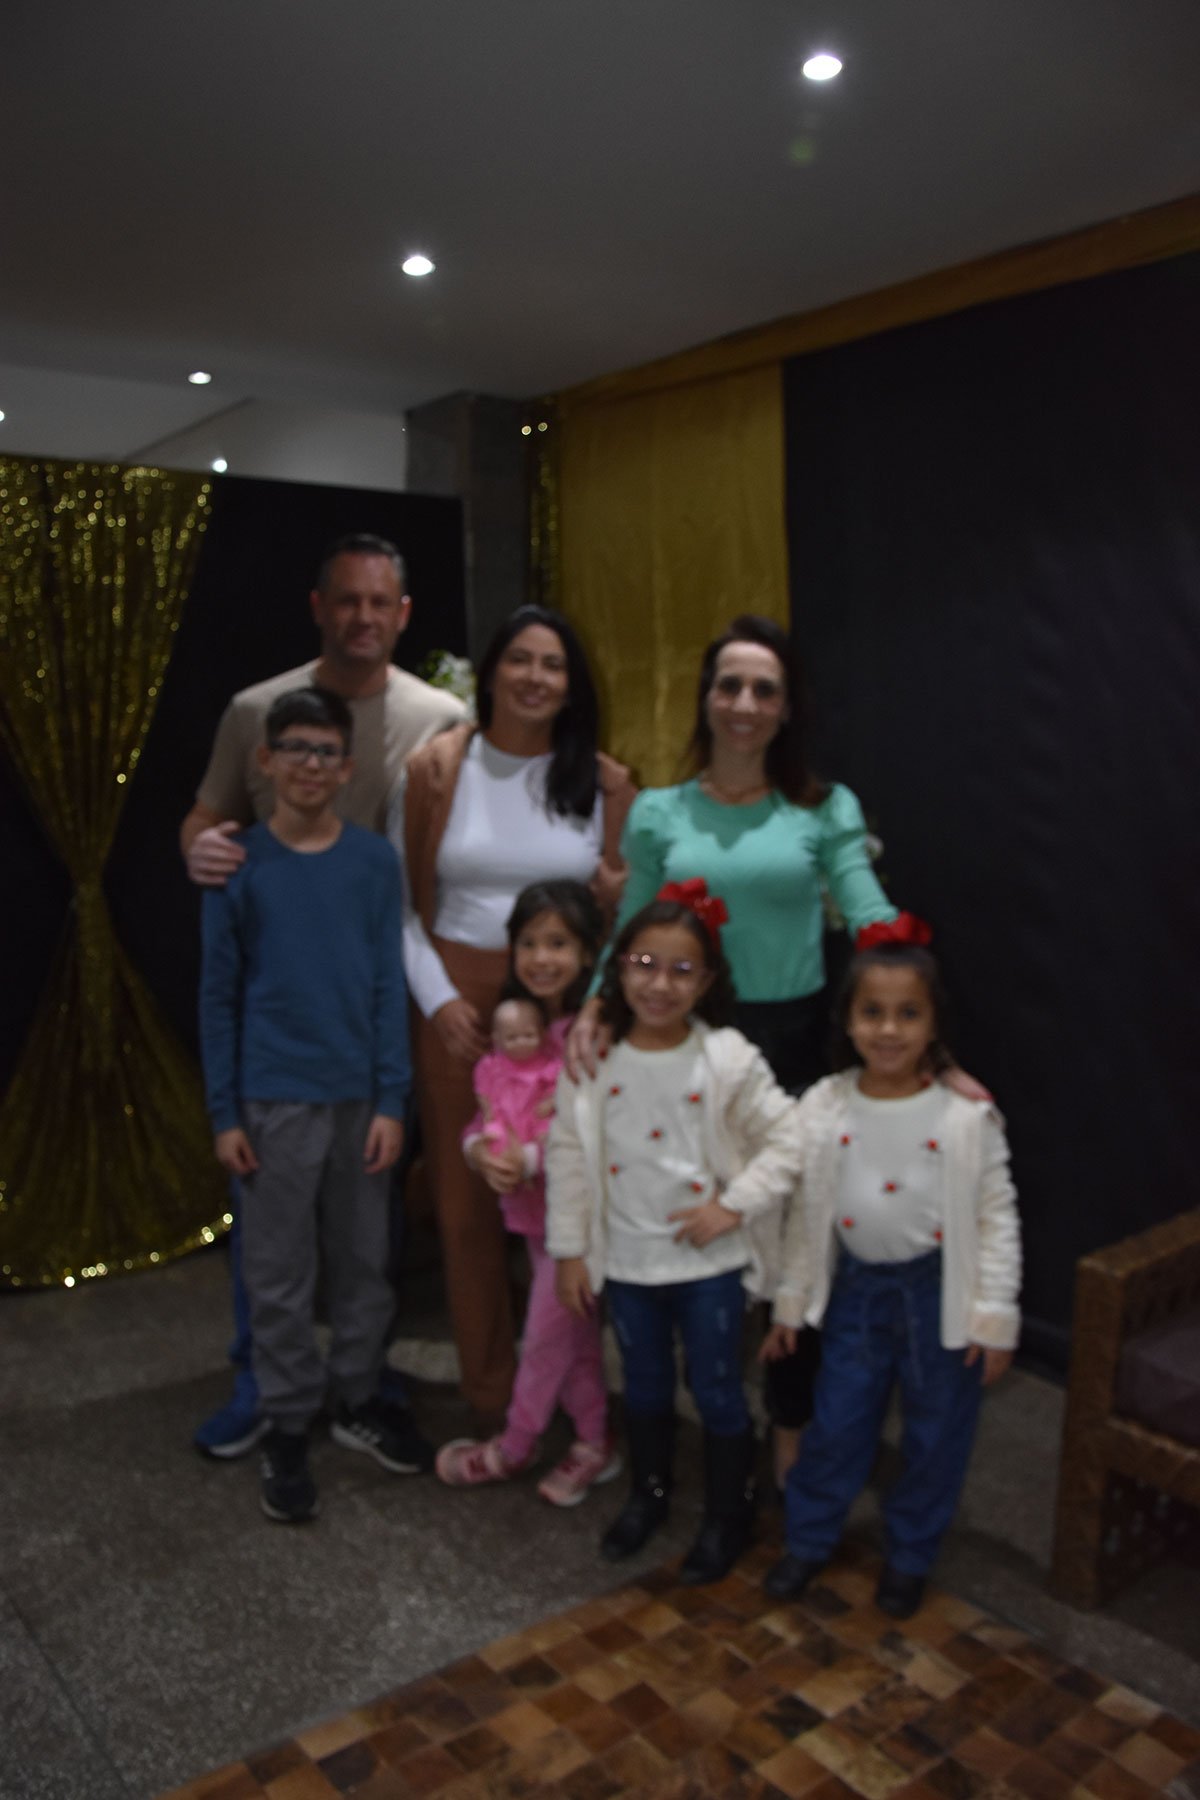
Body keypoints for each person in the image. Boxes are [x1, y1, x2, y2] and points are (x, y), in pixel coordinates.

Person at [567, 614, 898, 1487]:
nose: (745, 703)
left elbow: (868, 912)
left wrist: (920, 1024)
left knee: (799, 1239)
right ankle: (693, 1409)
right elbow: (636, 925)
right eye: (730, 685)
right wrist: (598, 1002)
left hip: (797, 1042)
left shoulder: (825, 808)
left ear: (787, 708)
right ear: (706, 699)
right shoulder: (660, 812)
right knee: (690, 1221)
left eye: (764, 689)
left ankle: (788, 1424)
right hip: (685, 1040)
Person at [185, 532, 466, 1459]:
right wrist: (200, 849)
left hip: (369, 1035)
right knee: (271, 1253)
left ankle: (358, 1387)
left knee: (362, 1248)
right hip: (276, 1061)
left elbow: (451, 856)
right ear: (318, 606)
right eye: (347, 600)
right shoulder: (253, 714)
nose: (363, 617)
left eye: (380, 602)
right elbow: (207, 823)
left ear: (404, 613)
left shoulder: (439, 717)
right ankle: (270, 1394)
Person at [395, 607, 636, 1427]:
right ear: (492, 671)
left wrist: (595, 1003)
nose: (536, 677)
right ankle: (494, 1395)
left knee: (568, 1199)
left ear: (572, 685)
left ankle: (575, 1394)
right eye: (520, 660)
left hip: (568, 1001)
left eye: (554, 665)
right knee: (467, 1207)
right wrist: (439, 1002)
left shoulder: (606, 784)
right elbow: (402, 906)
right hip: (457, 993)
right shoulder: (437, 769)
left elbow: (625, 913)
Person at [199, 687, 420, 1523]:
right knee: (278, 1270)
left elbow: (385, 983)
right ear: (266, 760)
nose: (310, 765)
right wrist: (225, 1114)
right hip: (272, 1102)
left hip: (360, 1098)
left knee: (365, 1258)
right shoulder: (239, 865)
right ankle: (287, 1416)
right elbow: (217, 997)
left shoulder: (372, 863)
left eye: (326, 751)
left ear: (348, 767)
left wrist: (392, 1099)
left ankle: (357, 1394)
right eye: (295, 748)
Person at [761, 919, 1021, 1619]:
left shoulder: (964, 1117)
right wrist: (791, 1302)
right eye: (872, 1012)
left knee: (937, 1435)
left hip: (939, 1296)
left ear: (934, 1025)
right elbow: (803, 1214)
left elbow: (996, 1218)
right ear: (848, 1020)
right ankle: (809, 1538)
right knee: (837, 1422)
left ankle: (910, 1555)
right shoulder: (825, 1106)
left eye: (908, 1014)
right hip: (856, 1293)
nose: (888, 1030)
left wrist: (993, 1318)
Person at [547, 885, 806, 1584]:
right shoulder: (593, 1060)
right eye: (644, 964)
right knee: (645, 1386)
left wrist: (736, 1204)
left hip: (708, 1267)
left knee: (718, 1388)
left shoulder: (727, 1058)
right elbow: (568, 1156)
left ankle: (728, 1514)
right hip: (629, 1264)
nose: (660, 984)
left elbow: (789, 1138)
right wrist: (570, 1250)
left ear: (708, 980)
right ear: (619, 968)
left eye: (681, 970)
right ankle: (650, 1493)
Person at [436, 879, 619, 1505]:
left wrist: (533, 1157)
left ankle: (514, 1446)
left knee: (544, 1337)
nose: (542, 958)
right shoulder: (512, 1028)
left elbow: (598, 1135)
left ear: (589, 952)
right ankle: (593, 1440)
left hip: (581, 1223)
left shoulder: (595, 1036)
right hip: (534, 1219)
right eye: (529, 943)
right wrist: (479, 1151)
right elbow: (485, 1115)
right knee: (574, 1339)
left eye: (559, 943)